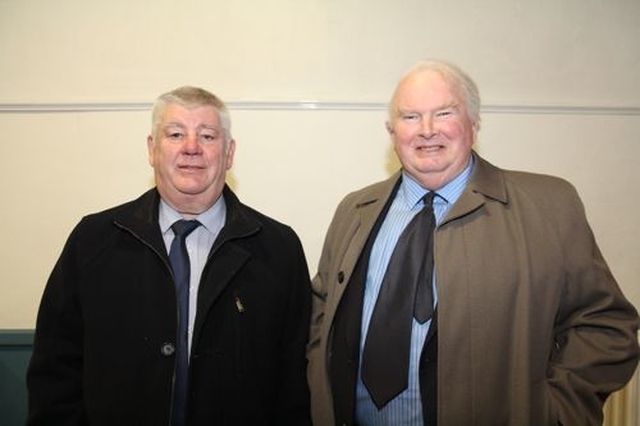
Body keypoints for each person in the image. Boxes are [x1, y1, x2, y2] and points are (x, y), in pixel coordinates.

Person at [307, 60, 639, 426]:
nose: (427, 130)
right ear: (391, 132)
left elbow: (606, 326)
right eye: (410, 117)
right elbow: (321, 314)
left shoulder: (549, 207)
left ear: (474, 125)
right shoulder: (354, 211)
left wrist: (553, 410)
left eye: (444, 113)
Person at [27, 86, 312, 425]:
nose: (191, 148)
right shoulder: (93, 242)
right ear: (152, 149)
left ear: (229, 153)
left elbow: (293, 385)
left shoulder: (278, 249)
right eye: (175, 134)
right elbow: (56, 372)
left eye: (207, 136)